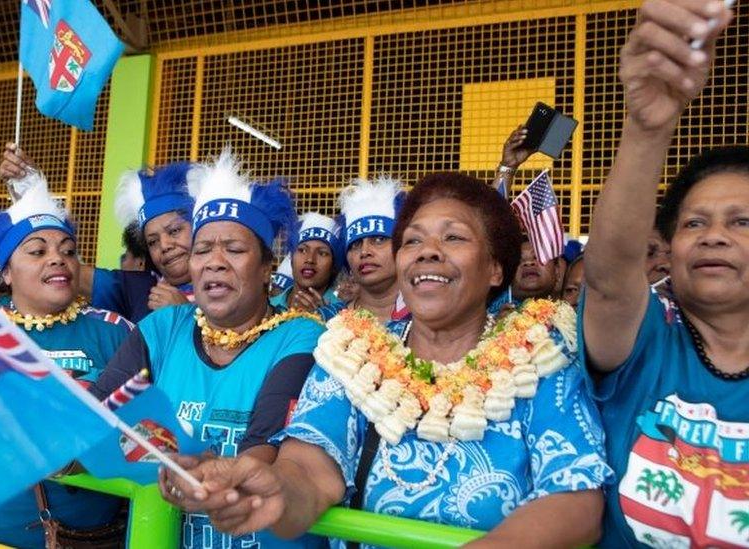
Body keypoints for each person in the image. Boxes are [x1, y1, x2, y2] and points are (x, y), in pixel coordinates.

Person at [173, 172, 612, 547]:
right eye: (412, 240)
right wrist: (277, 491)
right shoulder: (351, 352)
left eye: (453, 237)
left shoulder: (539, 357)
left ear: (496, 269)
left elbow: (575, 498)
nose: (427, 250)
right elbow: (310, 469)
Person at [94, 149, 326, 549]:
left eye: (234, 250)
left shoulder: (300, 335)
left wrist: (208, 477)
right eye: (202, 250)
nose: (215, 262)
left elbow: (263, 449)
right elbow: (99, 407)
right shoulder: (164, 327)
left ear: (268, 267)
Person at [581, 2, 744, 546]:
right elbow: (608, 277)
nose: (713, 235)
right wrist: (648, 126)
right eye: (694, 222)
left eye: (742, 221)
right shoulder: (648, 338)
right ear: (669, 248)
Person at [0, 176, 133, 547]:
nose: (58, 258)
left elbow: (148, 425)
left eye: (69, 251)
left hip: (81, 537)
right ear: (6, 272)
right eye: (37, 251)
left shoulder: (115, 332)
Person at [0, 144, 198, 322]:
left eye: (174, 230)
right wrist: (30, 189)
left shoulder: (226, 279)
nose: (164, 245)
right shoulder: (137, 290)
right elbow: (62, 270)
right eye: (152, 241)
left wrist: (185, 315)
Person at [316, 177, 408, 327]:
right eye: (355, 244)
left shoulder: (429, 316)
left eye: (378, 239)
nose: (364, 252)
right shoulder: (326, 320)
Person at [270, 212, 342, 312]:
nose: (310, 259)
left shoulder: (344, 315)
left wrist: (323, 318)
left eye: (322, 253)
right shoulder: (267, 306)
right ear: (291, 259)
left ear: (334, 266)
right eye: (302, 250)